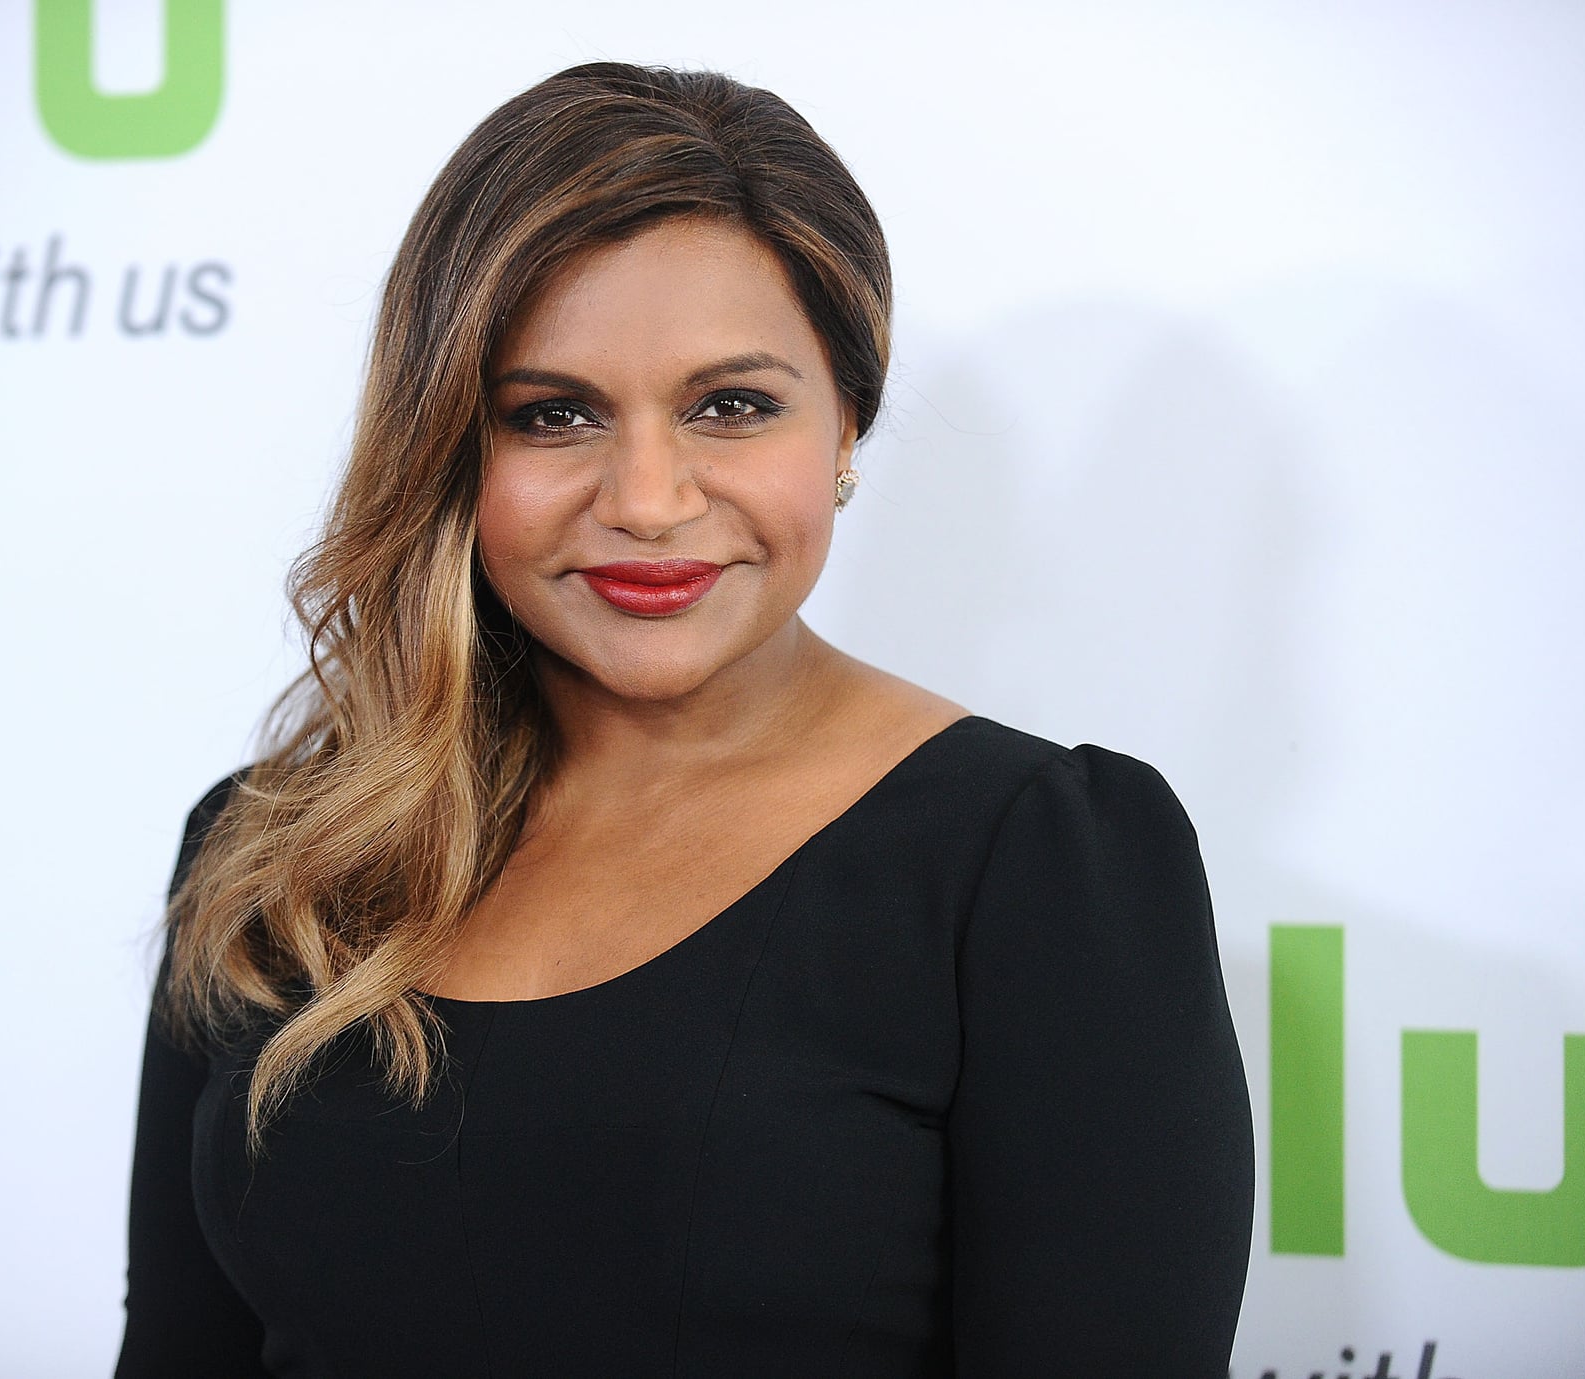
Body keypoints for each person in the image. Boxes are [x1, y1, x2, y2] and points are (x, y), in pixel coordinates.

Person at [114, 62, 1254, 1378]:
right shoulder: (273, 854)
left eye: (731, 406)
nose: (648, 499)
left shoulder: (1041, 867)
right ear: (450, 451)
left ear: (846, 423)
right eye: (554, 415)